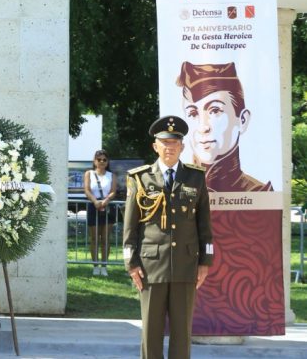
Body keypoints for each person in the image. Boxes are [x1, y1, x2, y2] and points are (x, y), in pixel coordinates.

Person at [123, 115, 214, 359]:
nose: (169, 147)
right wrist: (131, 263)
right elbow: (129, 227)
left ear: (182, 146)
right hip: (150, 267)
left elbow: (204, 225)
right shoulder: (140, 178)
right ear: (155, 146)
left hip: (186, 265)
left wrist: (205, 261)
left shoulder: (196, 177)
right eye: (164, 142)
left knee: (182, 333)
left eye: (175, 142)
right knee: (151, 332)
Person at [176, 61, 272, 192]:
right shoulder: (176, 189)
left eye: (215, 111)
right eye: (193, 113)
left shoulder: (259, 194)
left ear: (242, 120)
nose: (203, 127)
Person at [83, 149, 116, 276]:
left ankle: (104, 266)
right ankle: (95, 266)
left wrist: (106, 200)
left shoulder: (111, 175)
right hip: (93, 206)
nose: (102, 162)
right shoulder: (89, 173)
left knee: (106, 239)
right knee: (94, 238)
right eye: (99, 159)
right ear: (94, 161)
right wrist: (95, 201)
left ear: (107, 162)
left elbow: (113, 191)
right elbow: (86, 189)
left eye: (104, 160)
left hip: (107, 208)